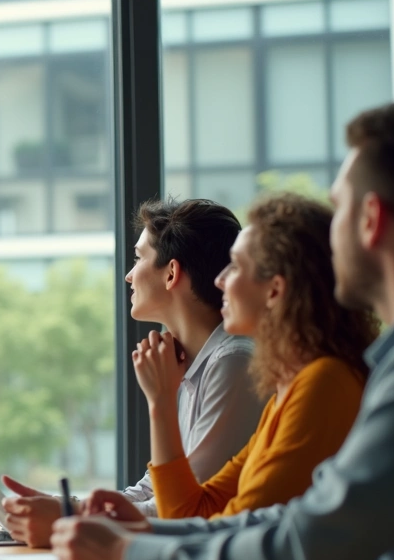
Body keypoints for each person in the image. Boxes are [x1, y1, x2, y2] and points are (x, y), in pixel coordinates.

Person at [50, 97, 394, 560]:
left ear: (371, 219)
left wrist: (130, 555)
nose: (221, 281)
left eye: (338, 206)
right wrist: (137, 538)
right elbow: (281, 522)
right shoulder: (391, 364)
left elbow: (308, 548)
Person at [3, 199, 264, 546]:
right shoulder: (192, 363)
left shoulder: (231, 364)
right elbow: (156, 489)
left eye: (139, 258)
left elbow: (186, 509)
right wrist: (69, 506)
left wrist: (70, 518)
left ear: (171, 273)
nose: (129, 274)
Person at [141, 193, 377, 519]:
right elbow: (199, 509)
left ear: (275, 290)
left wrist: (161, 403)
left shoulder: (323, 384)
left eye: (235, 267)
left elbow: (230, 529)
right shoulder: (290, 388)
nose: (220, 280)